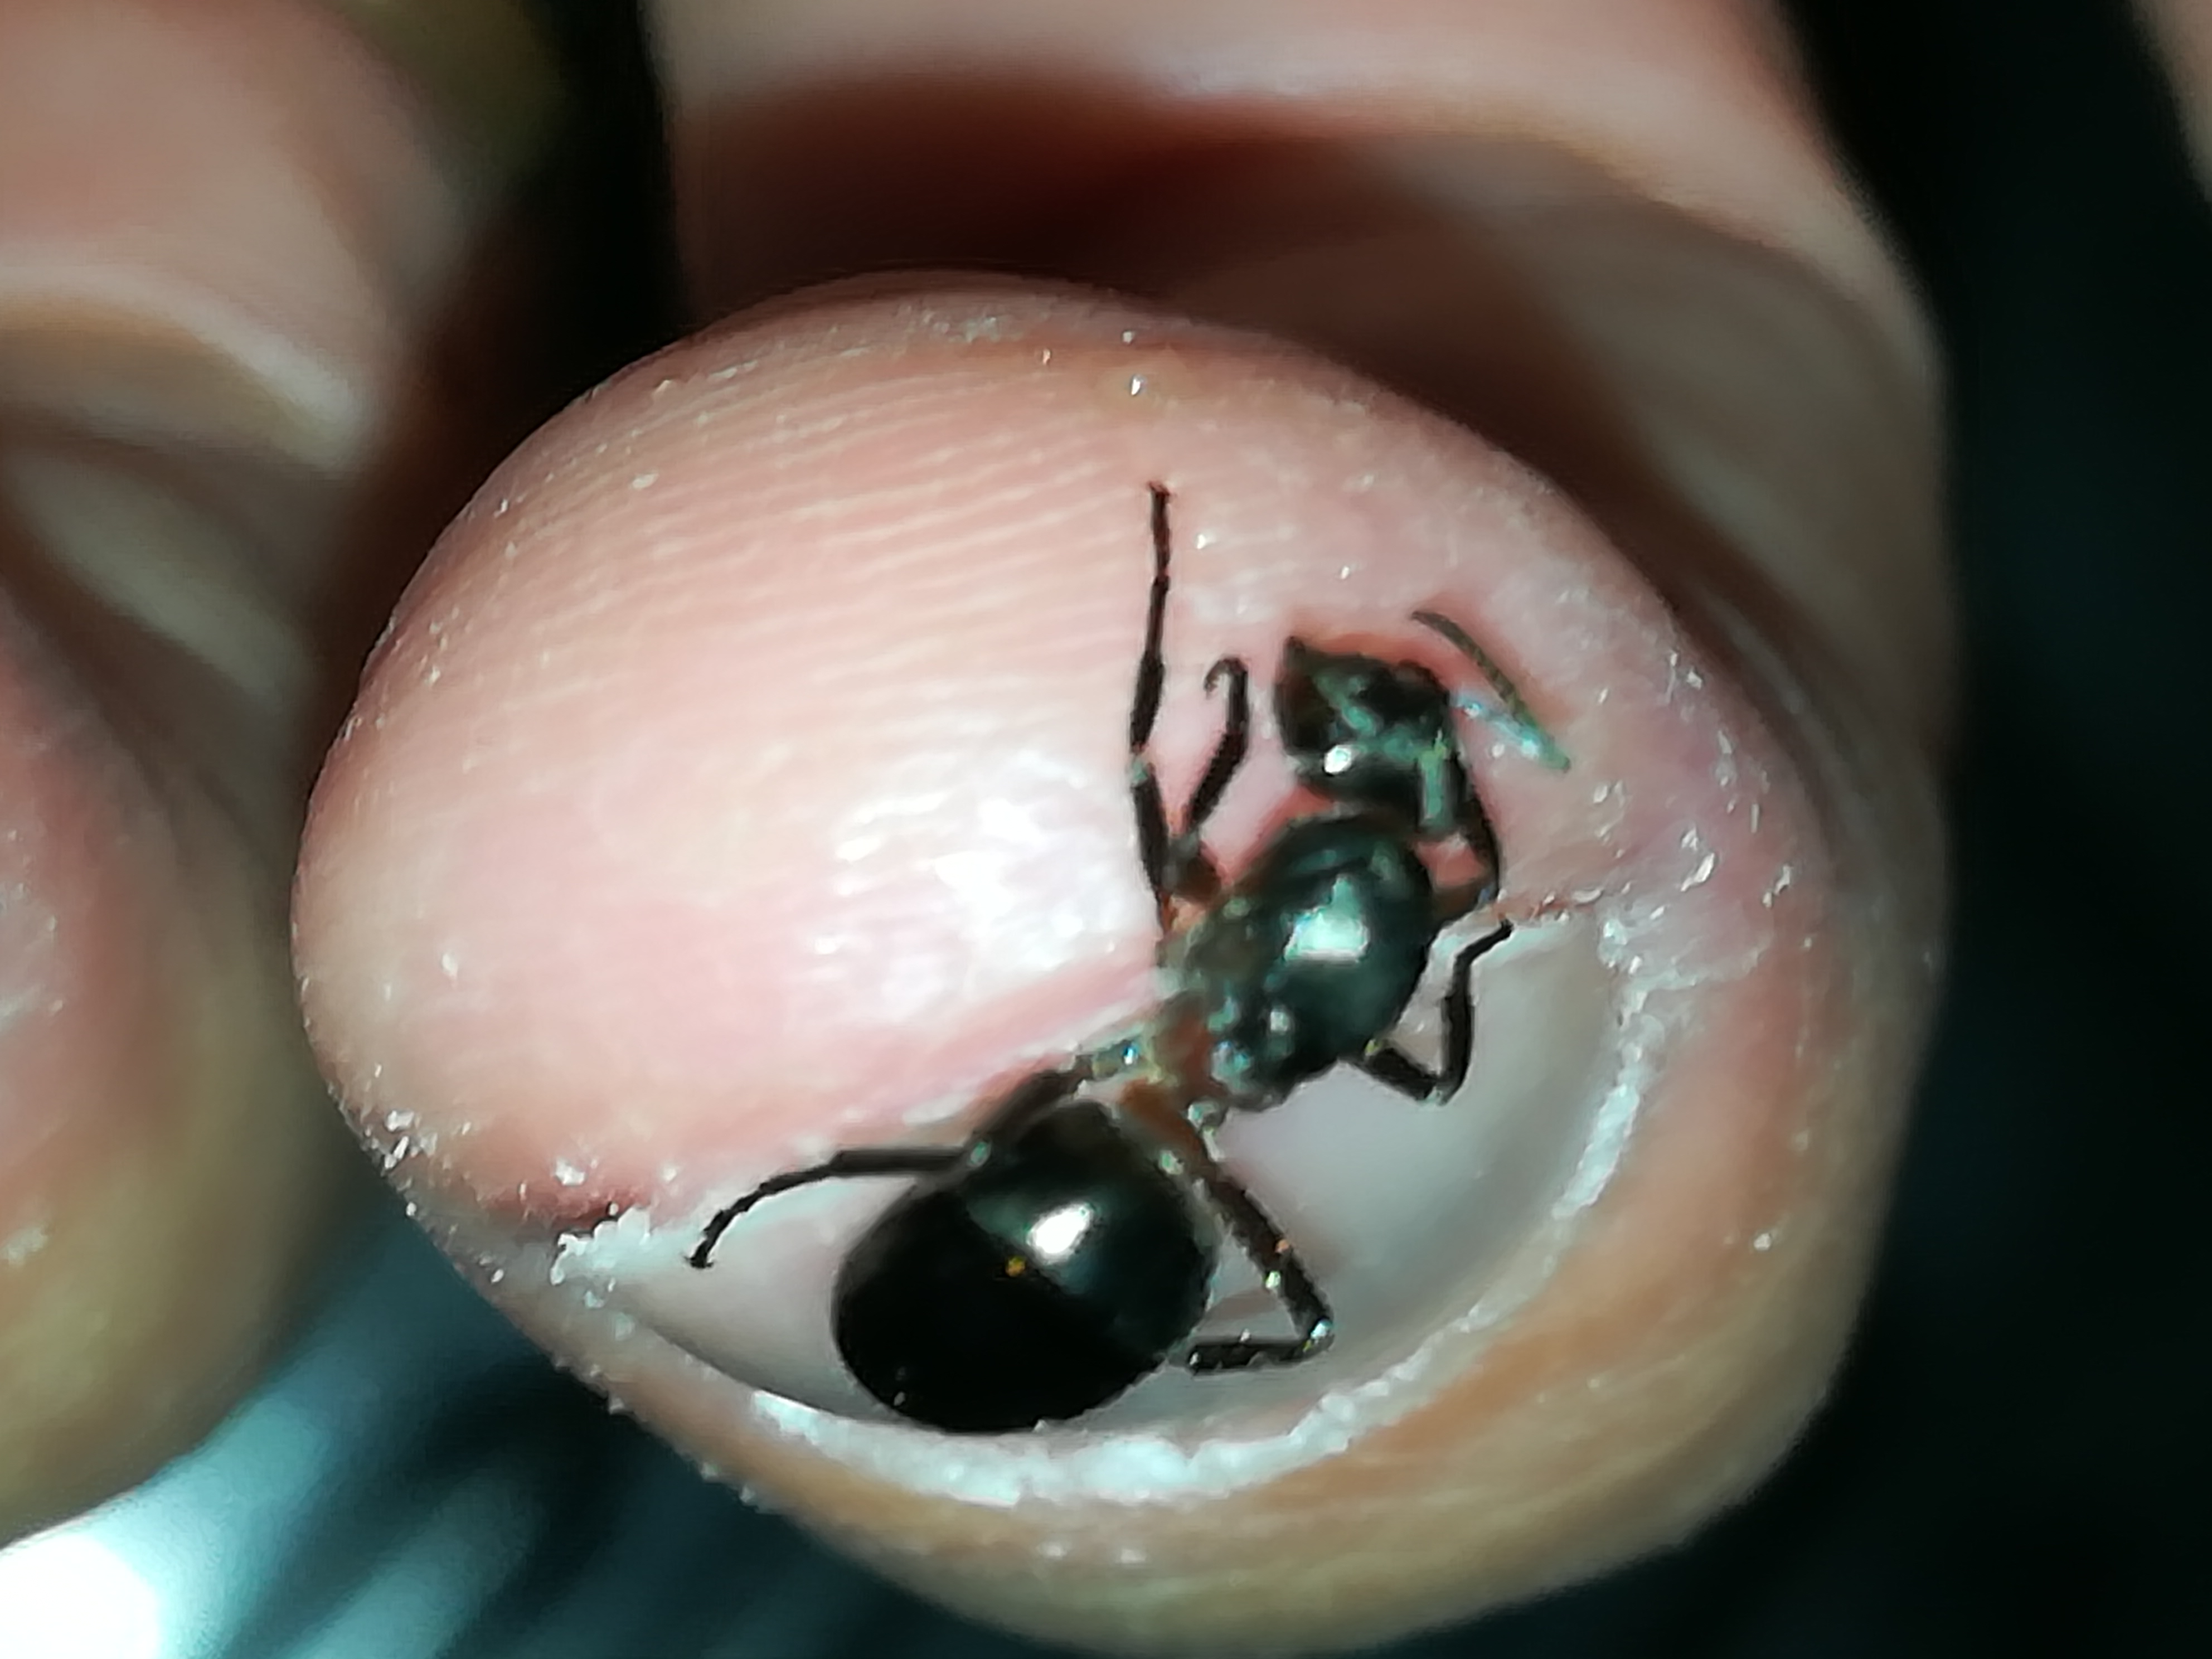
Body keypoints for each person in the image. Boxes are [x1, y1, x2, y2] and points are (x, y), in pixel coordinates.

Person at [0, 1, 2196, 1652]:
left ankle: (794, 1205)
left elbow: (1188, 781)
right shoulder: (1352, 969)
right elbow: (1363, 924)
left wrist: (1190, 639)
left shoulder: (1247, 930)